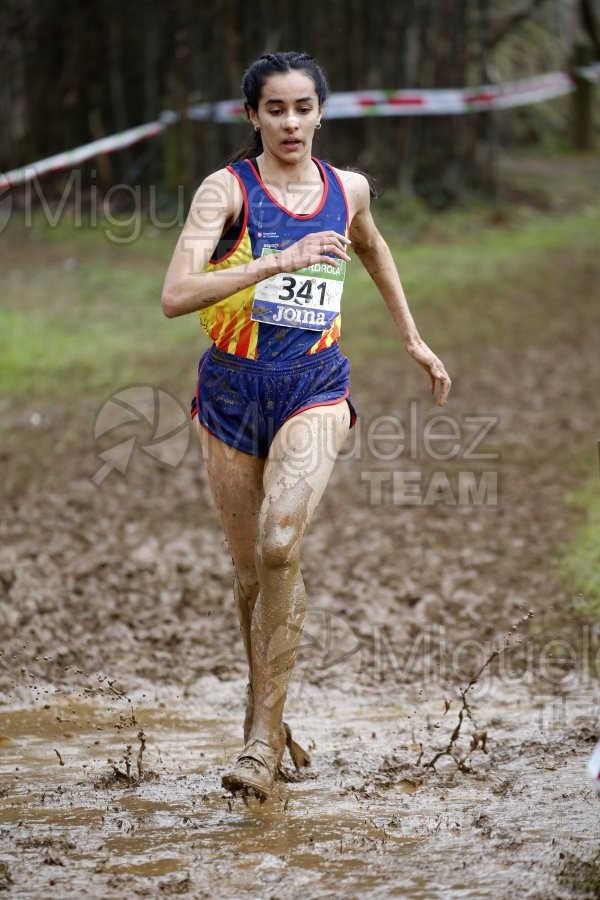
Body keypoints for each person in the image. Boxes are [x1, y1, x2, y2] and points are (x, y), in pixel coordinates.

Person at [161, 51, 451, 801]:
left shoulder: (345, 189)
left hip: (315, 388)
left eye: (303, 108)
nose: (290, 122)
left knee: (281, 537)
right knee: (253, 572)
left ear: (322, 112)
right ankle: (270, 712)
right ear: (252, 115)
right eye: (275, 109)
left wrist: (412, 338)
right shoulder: (225, 191)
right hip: (230, 392)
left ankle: (258, 741)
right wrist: (272, 261)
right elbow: (176, 294)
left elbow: (374, 246)